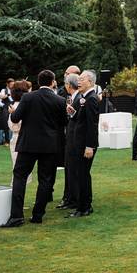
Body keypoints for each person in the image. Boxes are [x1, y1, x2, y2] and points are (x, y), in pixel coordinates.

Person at [5, 70, 67, 227]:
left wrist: (12, 112)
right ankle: (38, 214)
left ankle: (16, 216)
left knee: (20, 176)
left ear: (39, 82)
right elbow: (63, 123)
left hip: (28, 144)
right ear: (52, 82)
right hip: (49, 145)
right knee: (45, 179)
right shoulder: (59, 100)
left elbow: (15, 118)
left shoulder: (28, 97)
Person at [67, 70, 100, 218]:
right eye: (78, 79)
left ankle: (84, 207)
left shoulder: (91, 98)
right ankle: (85, 205)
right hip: (79, 143)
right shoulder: (84, 97)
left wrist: (89, 146)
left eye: (82, 79)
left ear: (90, 82)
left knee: (82, 175)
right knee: (82, 175)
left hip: (85, 145)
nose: (78, 82)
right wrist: (73, 113)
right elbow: (82, 119)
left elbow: (92, 124)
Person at [57, 72, 80, 210]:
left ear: (67, 85)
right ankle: (69, 197)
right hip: (69, 138)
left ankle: (73, 198)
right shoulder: (72, 97)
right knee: (69, 170)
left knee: (73, 170)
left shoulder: (78, 99)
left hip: (73, 140)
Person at [7, 80, 32, 170]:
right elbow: (14, 126)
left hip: (23, 139)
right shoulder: (17, 106)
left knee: (20, 169)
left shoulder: (19, 106)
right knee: (19, 169)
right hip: (19, 140)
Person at [0, 78, 15, 145]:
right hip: (6, 107)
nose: (12, 86)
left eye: (13, 84)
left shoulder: (15, 91)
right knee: (5, 123)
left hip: (14, 107)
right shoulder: (3, 90)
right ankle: (7, 141)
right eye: (11, 84)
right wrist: (4, 106)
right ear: (7, 84)